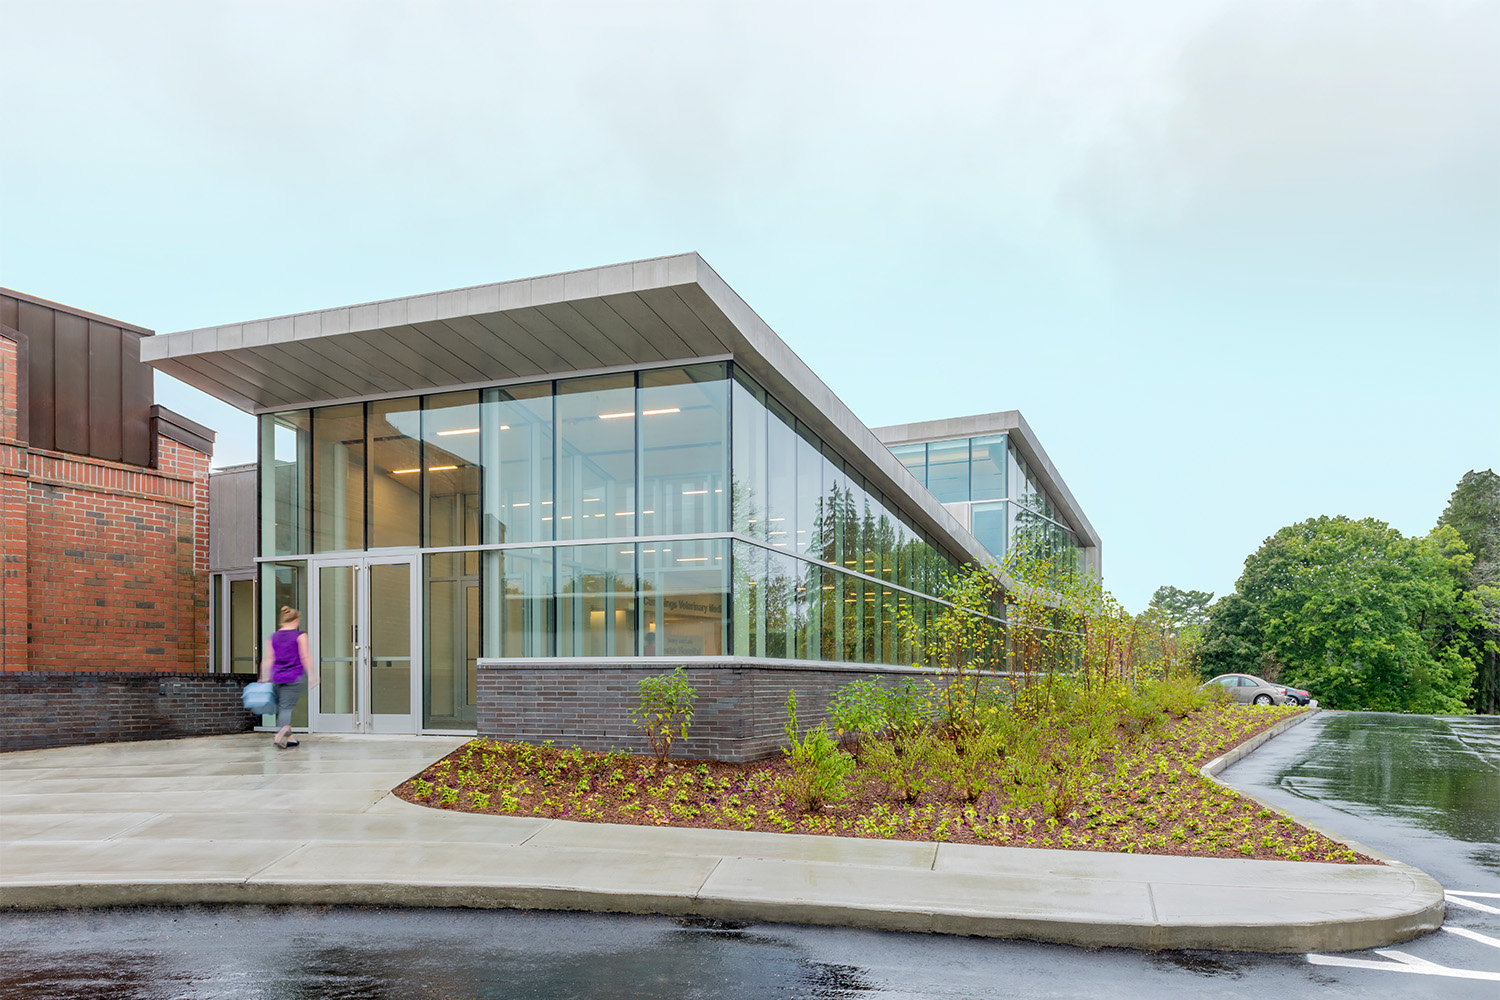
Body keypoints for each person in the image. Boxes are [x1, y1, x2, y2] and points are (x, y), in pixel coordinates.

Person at [259, 605, 318, 750]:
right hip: (294, 677)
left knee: (283, 707)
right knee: (286, 708)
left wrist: (263, 676)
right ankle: (282, 732)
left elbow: (268, 659)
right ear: (296, 620)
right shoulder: (300, 636)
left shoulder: (273, 637)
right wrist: (313, 675)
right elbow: (305, 656)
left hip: (277, 677)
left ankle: (290, 739)